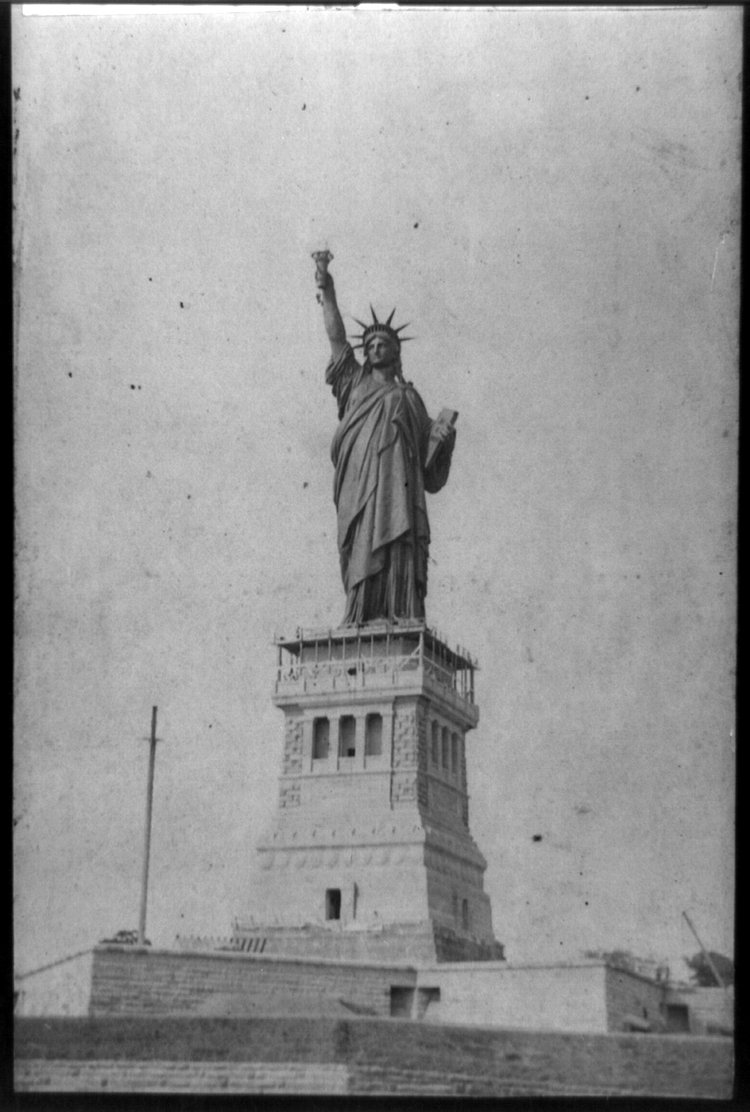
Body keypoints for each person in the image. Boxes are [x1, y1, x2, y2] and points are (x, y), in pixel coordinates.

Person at [315, 258, 456, 624]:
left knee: (399, 546)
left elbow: (432, 471)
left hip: (400, 495)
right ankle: (362, 614)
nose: (376, 348)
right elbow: (335, 338)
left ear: (396, 351)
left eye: (384, 343)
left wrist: (444, 438)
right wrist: (327, 290)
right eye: (371, 344)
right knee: (363, 547)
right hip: (361, 489)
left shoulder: (411, 398)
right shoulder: (354, 383)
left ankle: (401, 610)